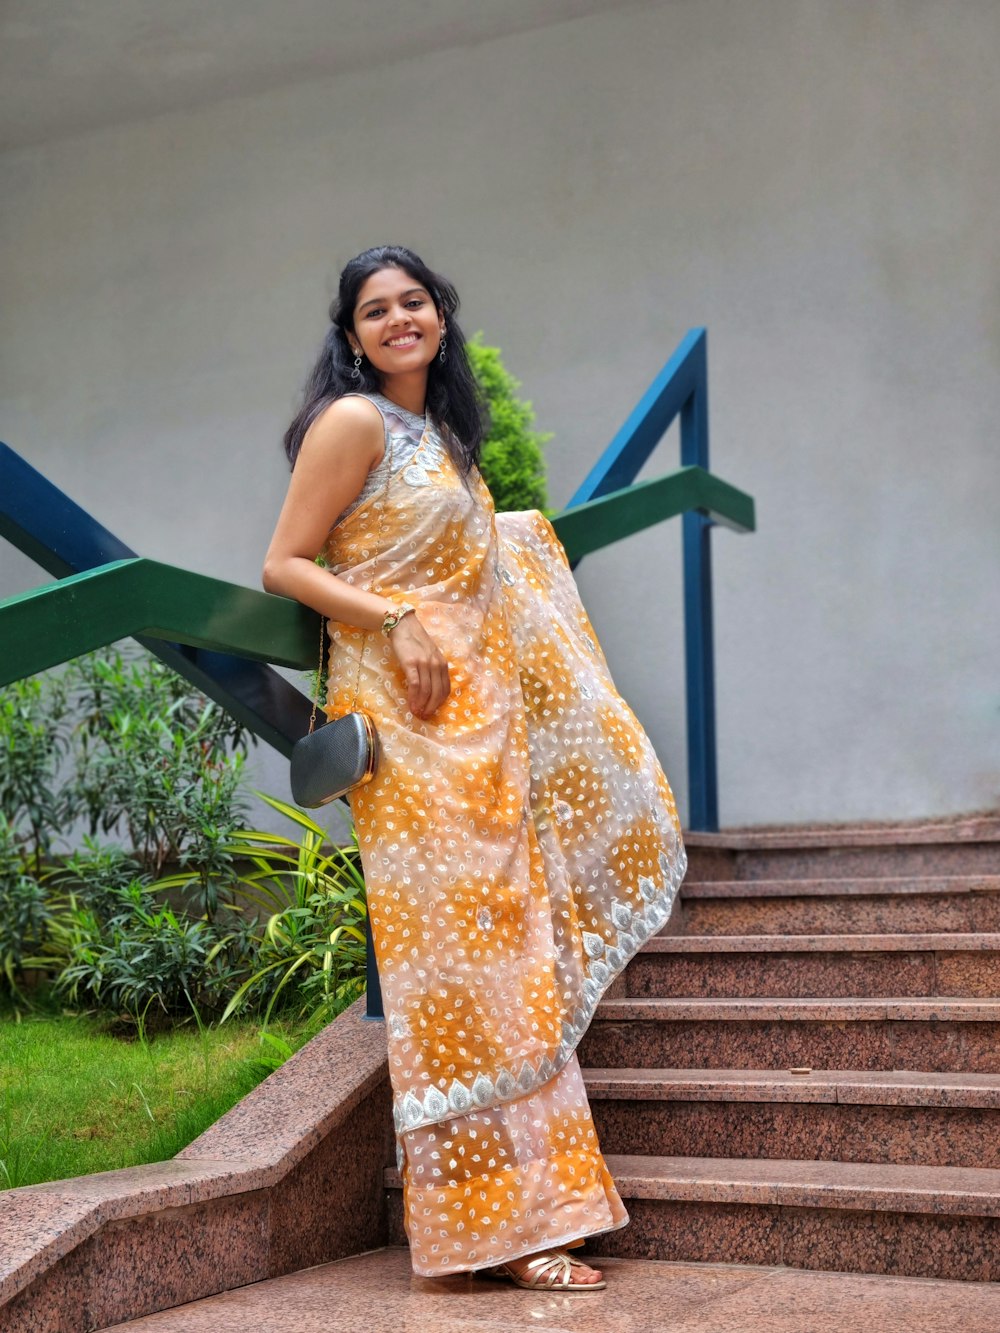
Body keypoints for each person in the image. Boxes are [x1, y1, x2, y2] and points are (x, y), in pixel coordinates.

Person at [263, 245, 686, 1292]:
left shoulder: (445, 437)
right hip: (406, 732)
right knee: (452, 969)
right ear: (351, 335)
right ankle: (495, 1225)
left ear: (440, 317)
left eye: (414, 302)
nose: (398, 320)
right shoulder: (353, 422)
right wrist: (394, 616)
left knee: (510, 951)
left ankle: (533, 1208)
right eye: (375, 309)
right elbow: (286, 564)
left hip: (480, 720)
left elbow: (482, 563)